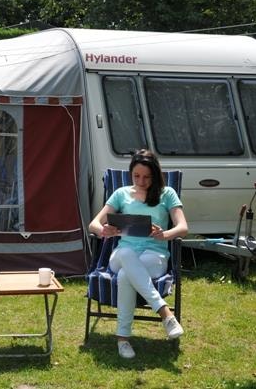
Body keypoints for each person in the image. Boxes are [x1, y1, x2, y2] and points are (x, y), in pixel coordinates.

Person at [88, 149, 188, 359]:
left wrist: (164, 234)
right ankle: (165, 313)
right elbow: (94, 224)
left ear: (155, 175)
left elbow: (183, 228)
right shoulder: (121, 194)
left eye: (147, 177)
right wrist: (103, 230)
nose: (141, 181)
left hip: (154, 255)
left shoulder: (167, 193)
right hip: (122, 254)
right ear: (131, 173)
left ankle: (122, 339)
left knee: (126, 275)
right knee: (125, 252)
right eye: (136, 176)